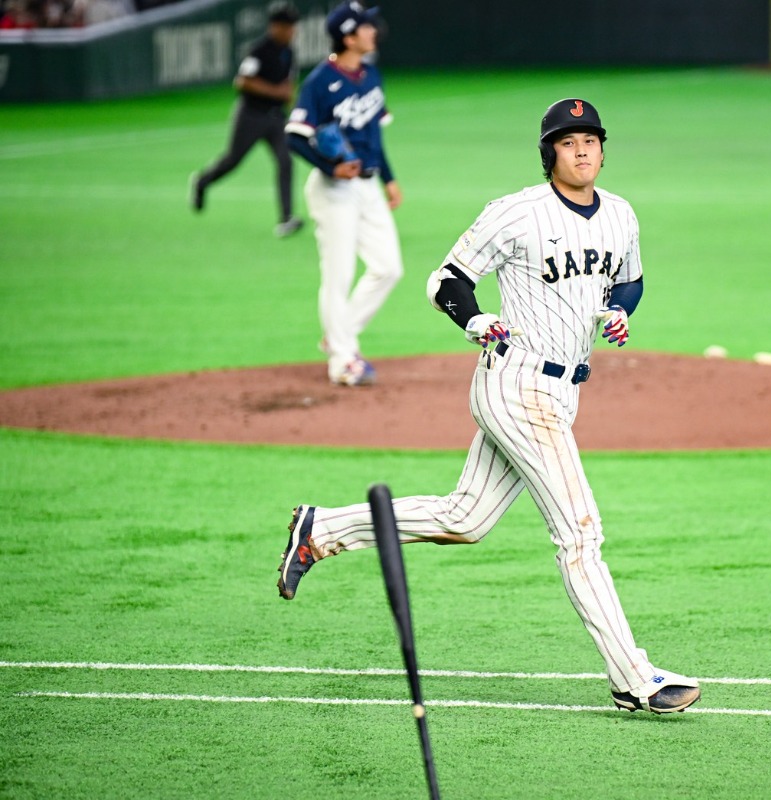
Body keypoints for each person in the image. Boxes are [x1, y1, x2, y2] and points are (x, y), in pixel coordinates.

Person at [276, 98, 701, 715]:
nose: (582, 151)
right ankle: (635, 679)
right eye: (568, 142)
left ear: (603, 150)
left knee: (466, 518)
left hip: (563, 390)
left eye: (591, 141)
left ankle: (322, 530)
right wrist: (474, 318)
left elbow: (629, 279)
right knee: (581, 533)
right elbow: (445, 278)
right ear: (549, 153)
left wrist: (618, 311)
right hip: (517, 386)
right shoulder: (517, 213)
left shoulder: (620, 216)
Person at [283, 0, 403, 387]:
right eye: (366, 27)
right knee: (339, 274)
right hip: (333, 190)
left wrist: (388, 178)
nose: (374, 31)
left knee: (388, 267)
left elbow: (374, 134)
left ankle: (340, 333)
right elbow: (294, 135)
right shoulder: (319, 82)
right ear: (349, 37)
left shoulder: (370, 75)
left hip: (367, 186)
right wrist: (330, 166)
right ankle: (343, 362)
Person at [190, 1, 303, 238]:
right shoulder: (259, 50)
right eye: (288, 26)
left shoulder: (289, 52)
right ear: (275, 27)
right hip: (251, 116)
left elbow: (288, 85)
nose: (293, 30)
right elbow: (242, 81)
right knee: (232, 161)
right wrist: (276, 92)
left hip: (275, 118)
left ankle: (286, 218)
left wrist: (290, 104)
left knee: (286, 161)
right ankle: (202, 181)